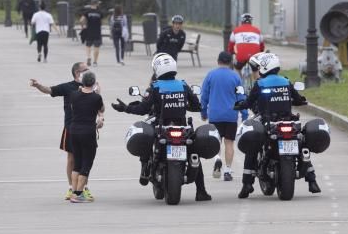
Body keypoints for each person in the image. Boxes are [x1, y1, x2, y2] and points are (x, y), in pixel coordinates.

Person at [111, 53, 211, 201]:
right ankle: (201, 191)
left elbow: (143, 109)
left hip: (161, 127)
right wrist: (183, 104)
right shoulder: (183, 85)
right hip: (182, 128)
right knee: (193, 153)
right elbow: (197, 106)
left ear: (157, 69)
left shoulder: (155, 87)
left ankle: (145, 170)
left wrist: (125, 108)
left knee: (145, 137)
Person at [234, 52, 319, 197]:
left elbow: (248, 102)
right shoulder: (286, 81)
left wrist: (240, 104)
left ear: (263, 67)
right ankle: (312, 181)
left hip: (268, 123)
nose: (256, 71)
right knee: (301, 145)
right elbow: (298, 99)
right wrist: (301, 100)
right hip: (289, 122)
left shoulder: (260, 84)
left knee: (252, 148)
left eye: (257, 68)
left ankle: (247, 184)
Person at [29, 62, 96, 202]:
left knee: (85, 159)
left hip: (88, 128)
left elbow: (98, 104)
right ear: (77, 73)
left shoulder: (91, 86)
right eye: (85, 70)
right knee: (72, 158)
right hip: (70, 128)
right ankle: (72, 187)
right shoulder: (67, 87)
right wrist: (38, 85)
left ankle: (83, 188)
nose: (88, 71)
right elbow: (49, 90)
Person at [200, 51, 246, 183]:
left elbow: (204, 96)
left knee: (216, 141)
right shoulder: (236, 77)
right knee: (229, 143)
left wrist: (203, 113)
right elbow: (241, 97)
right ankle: (227, 170)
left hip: (215, 115)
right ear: (231, 62)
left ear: (218, 61)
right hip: (231, 115)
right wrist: (244, 115)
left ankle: (217, 159)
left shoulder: (211, 75)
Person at [67, 70, 104, 203]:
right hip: (88, 132)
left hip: (74, 131)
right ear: (94, 82)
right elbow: (102, 110)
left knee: (77, 163)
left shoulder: (74, 95)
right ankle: (78, 194)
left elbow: (74, 107)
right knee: (87, 163)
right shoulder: (96, 98)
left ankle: (74, 192)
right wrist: (98, 93)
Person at [228, 13, 265, 84]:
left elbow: (230, 46)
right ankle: (259, 87)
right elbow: (262, 46)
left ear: (241, 22)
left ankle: (239, 86)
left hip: (240, 56)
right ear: (251, 22)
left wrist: (232, 52)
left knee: (237, 69)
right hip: (254, 57)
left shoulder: (235, 31)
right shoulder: (257, 31)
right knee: (256, 71)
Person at [80, 0, 104, 66]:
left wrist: (83, 26)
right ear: (96, 4)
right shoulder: (100, 12)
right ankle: (95, 62)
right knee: (96, 47)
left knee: (88, 46)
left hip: (89, 31)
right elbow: (101, 22)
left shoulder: (87, 12)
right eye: (98, 3)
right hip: (97, 31)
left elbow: (81, 20)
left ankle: (89, 57)